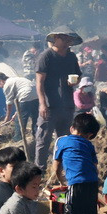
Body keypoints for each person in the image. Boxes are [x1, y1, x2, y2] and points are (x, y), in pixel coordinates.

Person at [35, 27, 83, 167]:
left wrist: (75, 81)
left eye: (70, 39)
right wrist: (42, 104)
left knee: (65, 139)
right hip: (50, 105)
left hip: (67, 104)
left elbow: (78, 75)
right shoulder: (46, 56)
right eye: (66, 38)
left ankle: (61, 168)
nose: (68, 41)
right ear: (57, 38)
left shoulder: (71, 57)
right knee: (44, 139)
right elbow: (39, 82)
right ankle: (40, 169)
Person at [51, 113, 101, 214]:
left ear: (72, 128)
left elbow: (56, 166)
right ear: (89, 135)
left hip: (76, 184)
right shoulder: (89, 145)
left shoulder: (62, 140)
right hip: (93, 184)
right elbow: (94, 167)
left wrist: (61, 181)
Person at [0, 71, 39, 145]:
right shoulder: (15, 80)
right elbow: (18, 103)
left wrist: (7, 117)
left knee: (19, 120)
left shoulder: (7, 85)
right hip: (35, 94)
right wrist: (15, 113)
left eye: (0, 86)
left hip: (26, 94)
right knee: (35, 117)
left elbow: (9, 103)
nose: (1, 87)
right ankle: (37, 136)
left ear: (1, 81)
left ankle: (18, 139)